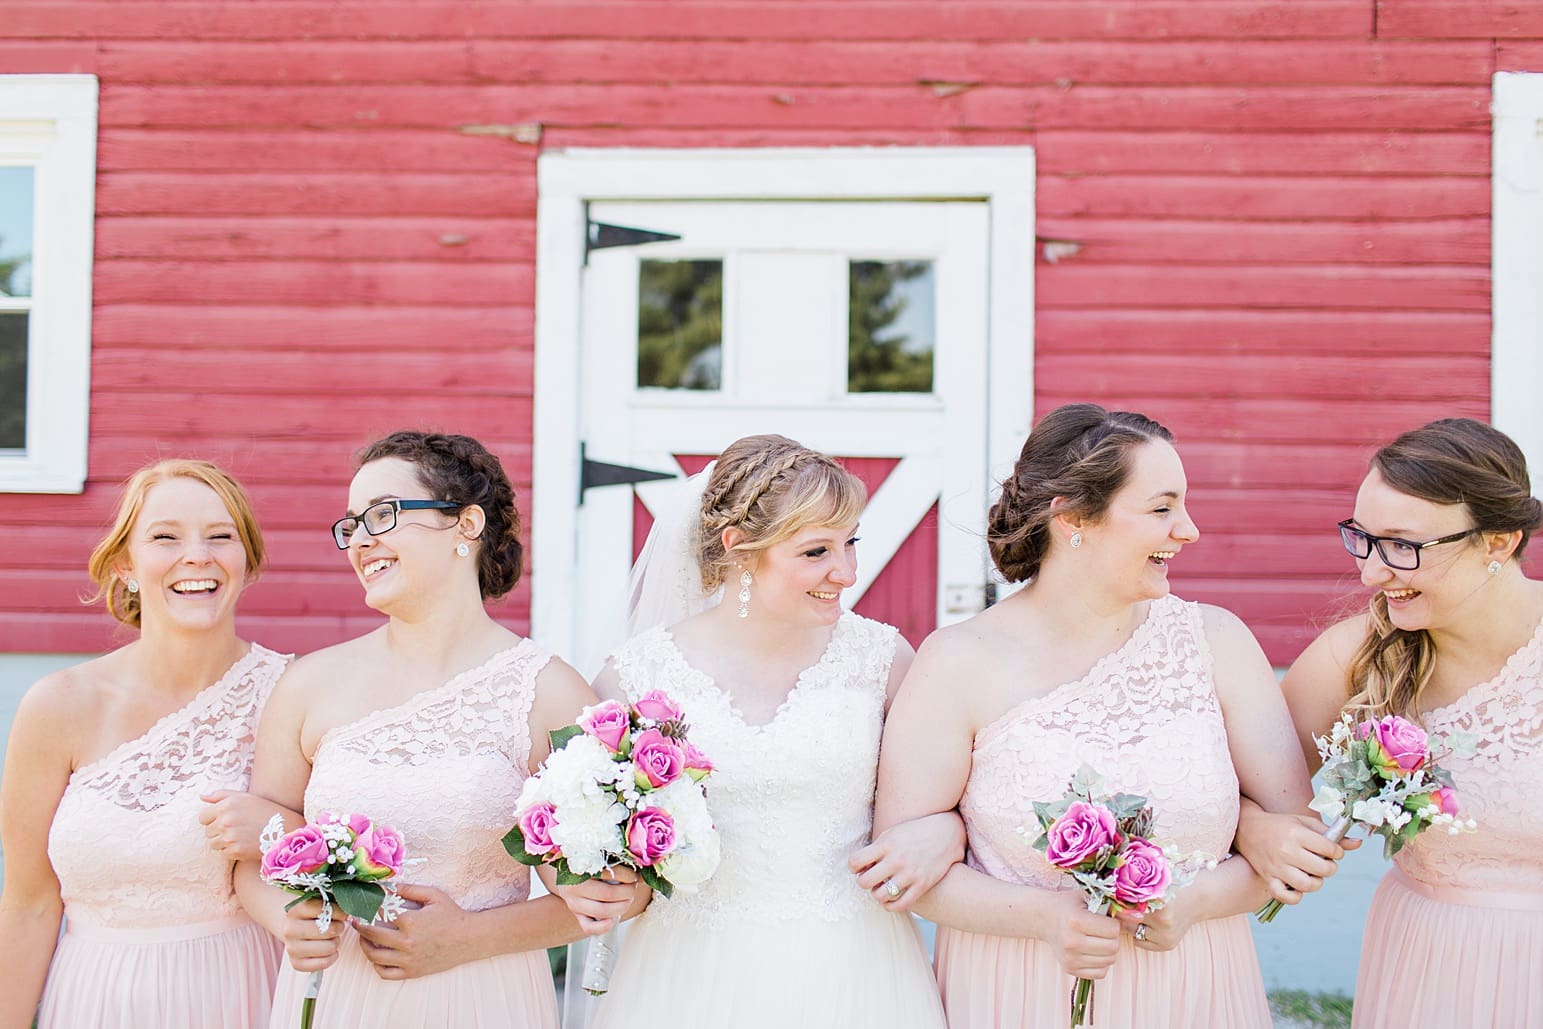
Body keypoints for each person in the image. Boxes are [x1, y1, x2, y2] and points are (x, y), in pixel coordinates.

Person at [871, 403, 1315, 1028]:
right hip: (1019, 988)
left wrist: (1194, 901)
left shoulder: (1219, 642)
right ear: (1074, 517)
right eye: (1162, 508)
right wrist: (1044, 918)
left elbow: (1291, 845)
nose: (1188, 530)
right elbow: (906, 871)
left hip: (1191, 983)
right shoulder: (957, 662)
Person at [236, 431, 630, 1029]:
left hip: (481, 996)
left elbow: (610, 895)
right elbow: (249, 858)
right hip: (340, 994)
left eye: (383, 514)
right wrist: (283, 919)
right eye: (351, 525)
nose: (361, 539)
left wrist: (469, 937)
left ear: (466, 525)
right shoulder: (308, 685)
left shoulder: (547, 692)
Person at [561, 434, 956, 1029]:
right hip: (688, 972)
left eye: (850, 544)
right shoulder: (637, 676)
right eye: (816, 552)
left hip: (853, 967)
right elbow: (592, 831)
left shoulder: (883, 659)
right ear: (740, 548)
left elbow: (951, 795)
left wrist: (944, 832)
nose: (845, 573)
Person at [1242, 418, 1543, 1029]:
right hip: (1428, 969)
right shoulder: (1350, 657)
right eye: (1362, 538)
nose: (1371, 574)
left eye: (1403, 546)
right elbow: (1235, 791)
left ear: (1499, 541)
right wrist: (1255, 831)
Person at [0, 459, 287, 1029]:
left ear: (247, 563)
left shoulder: (292, 695)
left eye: (221, 537)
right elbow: (29, 904)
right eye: (165, 537)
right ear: (125, 565)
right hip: (93, 1000)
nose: (197, 556)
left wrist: (279, 828)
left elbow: (336, 863)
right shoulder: (57, 705)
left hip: (242, 996)